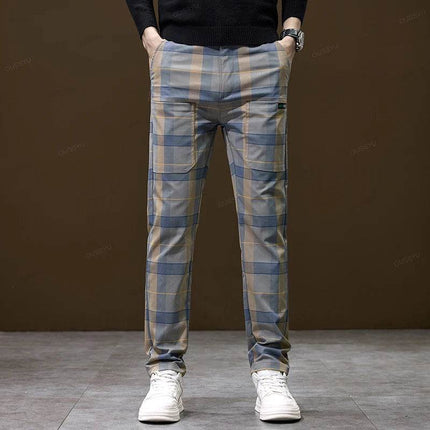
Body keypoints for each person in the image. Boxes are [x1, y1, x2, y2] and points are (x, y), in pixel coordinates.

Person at [125, 0, 308, 423]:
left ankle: (270, 369)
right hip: (179, 61)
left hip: (259, 61)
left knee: (265, 226)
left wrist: (290, 36)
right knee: (169, 225)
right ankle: (164, 370)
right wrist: (150, 36)